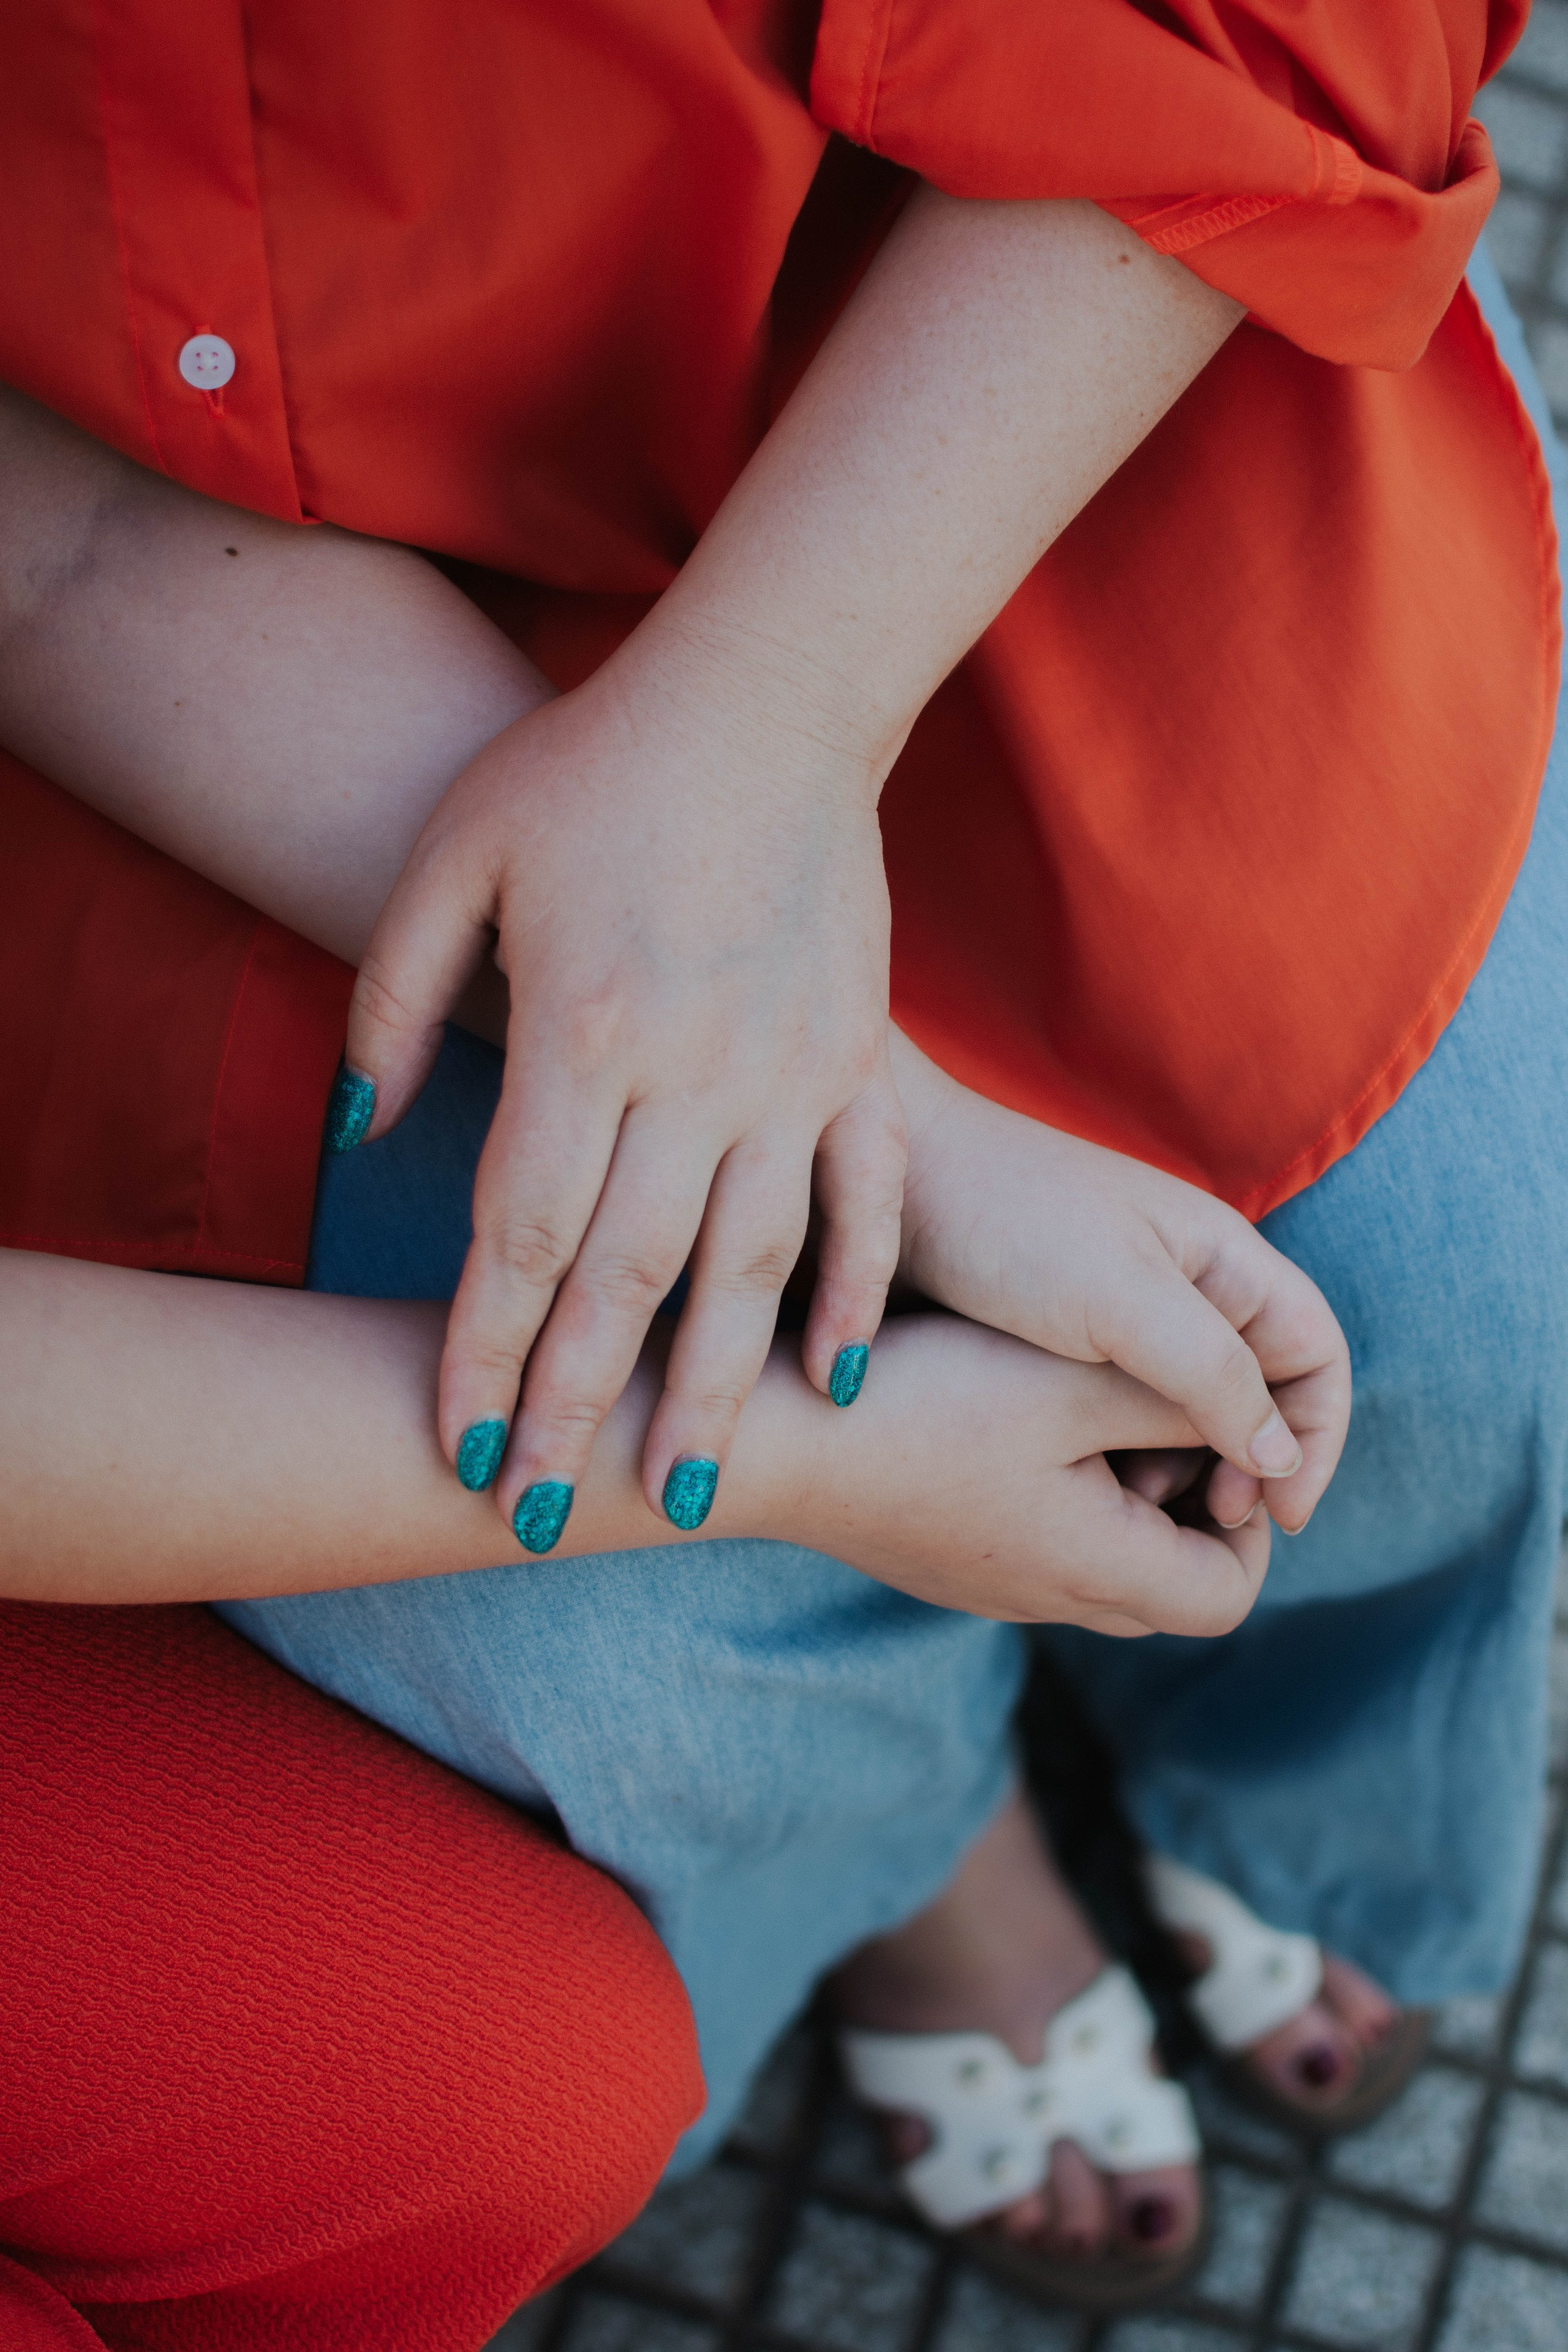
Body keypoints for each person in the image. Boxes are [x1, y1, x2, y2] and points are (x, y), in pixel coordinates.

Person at [3, 0, 1559, 2310]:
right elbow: (61, 547)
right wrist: (812, 1296)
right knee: (618, 1666)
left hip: (1003, 335)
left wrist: (775, 716)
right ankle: (926, 1846)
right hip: (226, 702)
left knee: (1454, 1263)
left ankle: (1274, 1782)